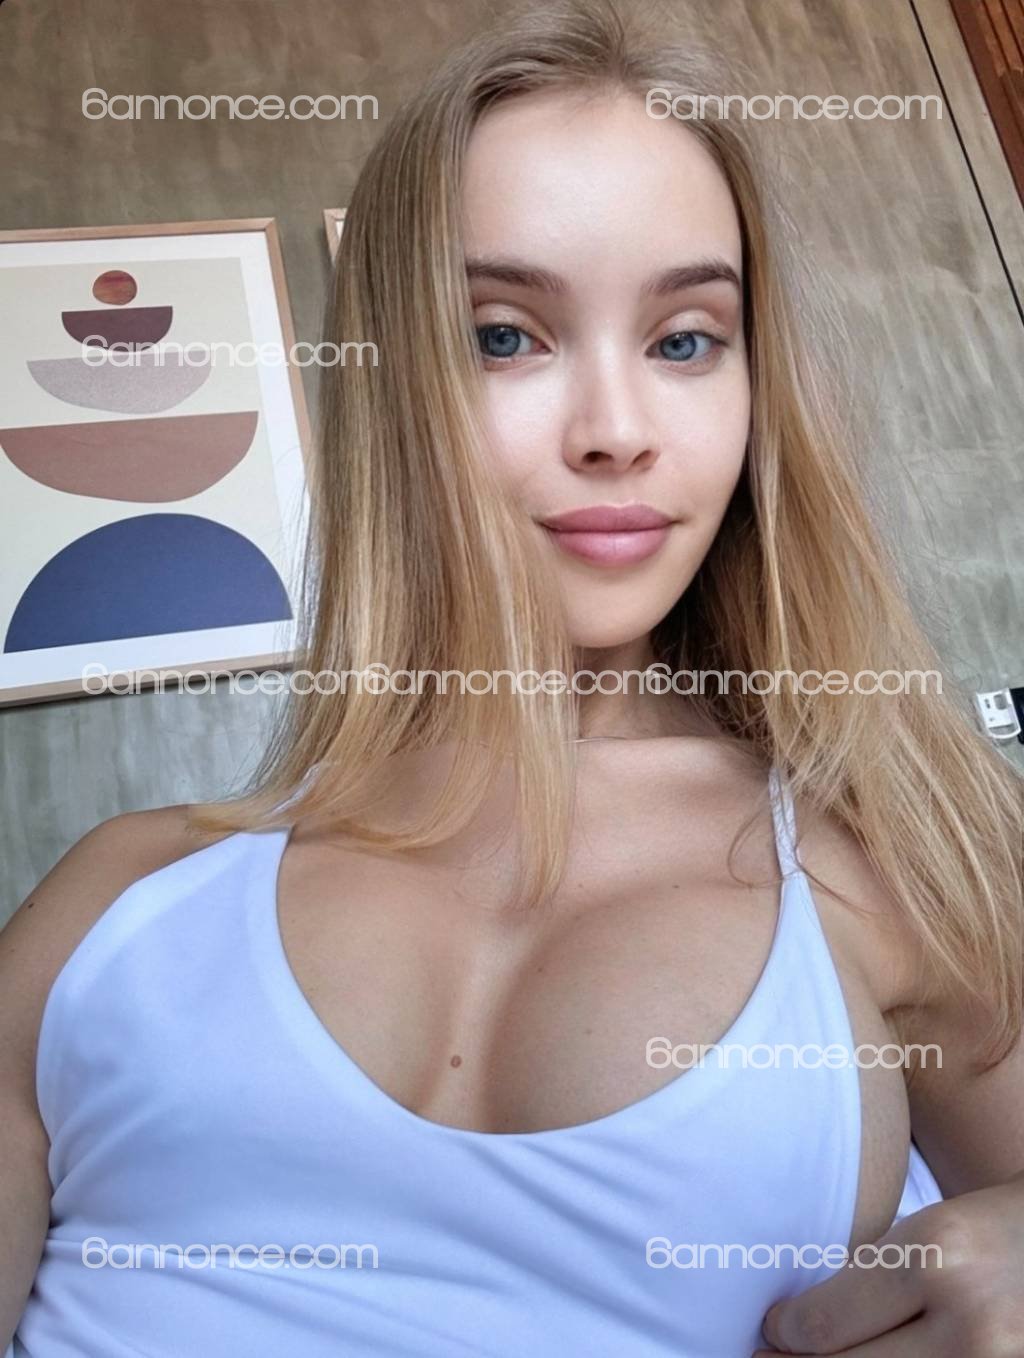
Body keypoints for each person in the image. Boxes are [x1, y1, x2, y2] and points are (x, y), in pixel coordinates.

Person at [2, 2, 1022, 1355]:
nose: (616, 431)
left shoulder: (908, 859)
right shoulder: (113, 904)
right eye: (504, 335)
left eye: (685, 339)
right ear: (394, 385)